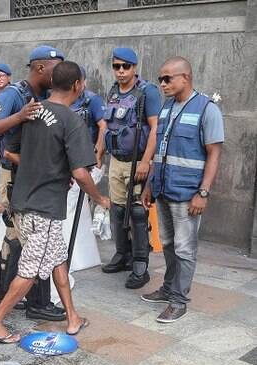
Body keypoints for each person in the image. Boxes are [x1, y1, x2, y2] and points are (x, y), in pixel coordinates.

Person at [0, 61, 111, 343]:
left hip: (23, 202)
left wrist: (43, 166)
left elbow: (9, 153)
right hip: (45, 208)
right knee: (29, 271)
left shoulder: (31, 111)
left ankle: (72, 317)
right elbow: (80, 172)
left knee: (57, 260)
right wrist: (99, 197)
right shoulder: (71, 120)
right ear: (77, 85)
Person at [0, 45, 66, 322]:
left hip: (30, 178)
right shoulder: (15, 94)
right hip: (16, 177)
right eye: (56, 69)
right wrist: (18, 116)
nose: (60, 74)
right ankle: (36, 303)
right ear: (40, 67)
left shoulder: (41, 95)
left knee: (17, 238)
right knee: (33, 240)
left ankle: (2, 291)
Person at [140, 57, 224, 323]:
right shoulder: (166, 108)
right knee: (167, 244)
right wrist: (149, 184)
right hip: (163, 189)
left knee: (185, 249)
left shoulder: (206, 109)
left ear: (185, 77)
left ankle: (178, 300)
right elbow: (161, 152)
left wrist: (204, 192)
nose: (162, 84)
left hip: (188, 193)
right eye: (160, 79)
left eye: (168, 78)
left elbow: (214, 154)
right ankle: (168, 287)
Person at [101, 47, 161, 290]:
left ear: (135, 67)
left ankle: (140, 263)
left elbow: (155, 129)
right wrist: (99, 151)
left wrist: (146, 161)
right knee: (116, 210)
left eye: (126, 66)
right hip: (116, 160)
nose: (121, 71)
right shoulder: (114, 91)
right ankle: (122, 254)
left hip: (138, 160)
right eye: (117, 66)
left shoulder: (148, 92)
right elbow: (107, 124)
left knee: (137, 213)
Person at [70, 67, 107, 168]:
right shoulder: (62, 98)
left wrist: (97, 155)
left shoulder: (93, 99)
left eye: (79, 81)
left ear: (84, 82)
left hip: (86, 157)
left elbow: (104, 126)